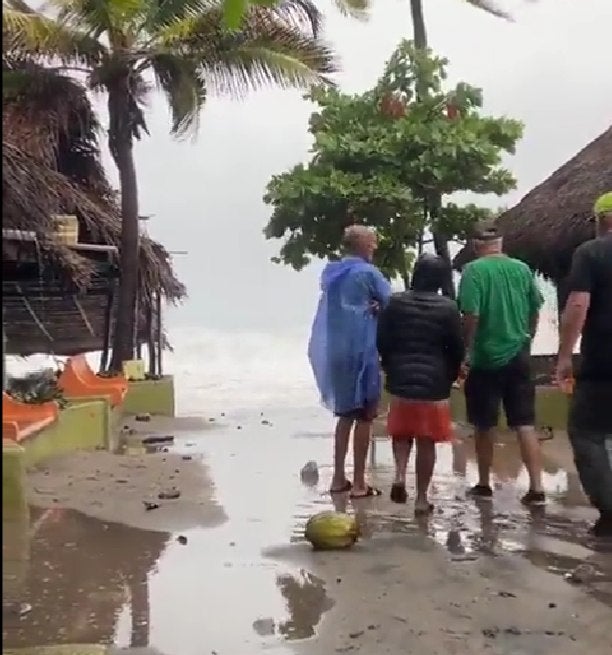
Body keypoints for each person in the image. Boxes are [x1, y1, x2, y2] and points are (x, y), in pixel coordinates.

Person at [457, 225, 545, 506]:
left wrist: (465, 350)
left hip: (485, 358)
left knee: (484, 424)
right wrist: (527, 338)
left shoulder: (473, 271)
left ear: (475, 244)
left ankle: (483, 483)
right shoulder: (522, 269)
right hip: (518, 354)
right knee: (525, 423)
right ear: (501, 242)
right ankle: (537, 487)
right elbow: (535, 308)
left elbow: (471, 315)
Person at [308, 225, 392, 499]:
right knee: (365, 416)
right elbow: (390, 303)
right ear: (362, 245)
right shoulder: (368, 273)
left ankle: (337, 478)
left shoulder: (331, 273)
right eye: (372, 242)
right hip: (363, 351)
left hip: (335, 351)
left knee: (344, 415)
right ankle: (358, 483)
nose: (375, 246)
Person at [377, 254, 464, 513]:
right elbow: (456, 348)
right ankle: (422, 499)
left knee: (402, 431)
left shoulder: (395, 302)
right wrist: (451, 374)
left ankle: (400, 475)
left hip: (401, 378)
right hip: (434, 382)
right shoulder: (448, 308)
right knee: (427, 440)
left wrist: (390, 365)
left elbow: (382, 339)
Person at [556, 191, 612, 537]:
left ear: (601, 221)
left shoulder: (592, 252)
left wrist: (564, 357)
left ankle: (610, 511)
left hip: (603, 364)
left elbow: (578, 303)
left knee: (586, 434)